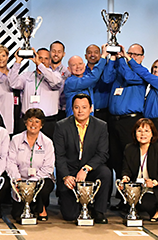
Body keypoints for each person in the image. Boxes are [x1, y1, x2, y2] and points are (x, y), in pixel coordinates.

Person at [53, 93, 111, 223]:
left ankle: (99, 210)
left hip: (89, 169)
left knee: (105, 173)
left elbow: (102, 153)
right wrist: (65, 176)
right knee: (70, 216)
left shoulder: (101, 126)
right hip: (70, 171)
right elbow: (59, 156)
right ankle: (75, 202)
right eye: (76, 107)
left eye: (84, 107)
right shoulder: (61, 126)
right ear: (72, 108)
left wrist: (86, 169)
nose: (80, 111)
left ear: (91, 108)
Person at [102, 44, 146, 185]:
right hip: (114, 120)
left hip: (131, 121)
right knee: (116, 157)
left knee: (130, 157)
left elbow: (129, 76)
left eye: (135, 55)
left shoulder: (142, 72)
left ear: (142, 58)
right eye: (129, 53)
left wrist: (123, 59)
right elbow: (106, 79)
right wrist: (113, 58)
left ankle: (132, 193)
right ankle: (122, 192)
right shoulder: (120, 69)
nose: (131, 57)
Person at [6, 108, 55, 220]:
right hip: (20, 181)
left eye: (37, 121)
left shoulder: (47, 142)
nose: (33, 124)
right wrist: (18, 180)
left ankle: (40, 206)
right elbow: (11, 162)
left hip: (39, 181)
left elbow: (48, 167)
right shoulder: (16, 140)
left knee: (46, 185)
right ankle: (29, 206)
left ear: (41, 125)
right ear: (25, 122)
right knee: (17, 215)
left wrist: (32, 184)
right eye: (30, 120)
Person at [119, 118, 158, 222]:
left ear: (152, 134)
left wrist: (153, 182)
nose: (143, 134)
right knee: (131, 202)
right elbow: (126, 169)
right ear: (135, 133)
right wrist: (125, 178)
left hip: (154, 188)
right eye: (139, 131)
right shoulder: (129, 148)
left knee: (146, 203)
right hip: (136, 187)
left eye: (146, 131)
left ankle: (154, 211)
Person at [9, 48, 64, 137]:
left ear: (50, 60)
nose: (42, 61)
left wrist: (40, 65)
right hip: (28, 121)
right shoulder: (27, 76)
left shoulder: (56, 75)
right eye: (39, 57)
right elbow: (13, 83)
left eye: (46, 58)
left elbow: (56, 83)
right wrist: (17, 62)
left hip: (48, 122)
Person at [128, 57, 158, 147]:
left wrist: (128, 59)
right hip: (151, 124)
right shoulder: (152, 87)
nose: (156, 69)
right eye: (155, 67)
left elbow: (144, 74)